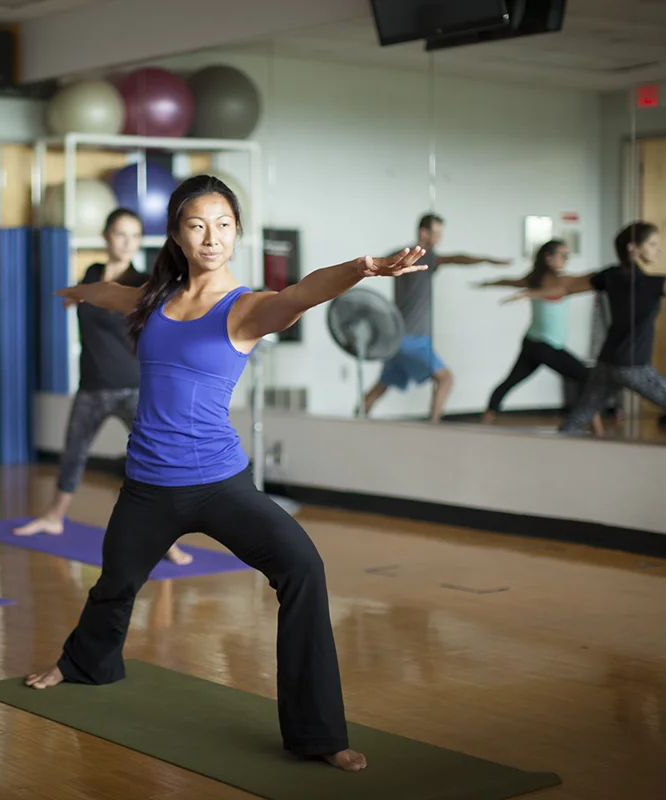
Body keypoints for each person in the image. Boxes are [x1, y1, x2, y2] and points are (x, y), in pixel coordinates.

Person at [23, 175, 428, 773]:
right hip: (147, 487)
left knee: (302, 569)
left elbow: (305, 292)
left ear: (237, 233)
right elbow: (111, 295)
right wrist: (76, 292)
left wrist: (363, 267)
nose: (210, 236)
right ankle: (85, 663)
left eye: (222, 224)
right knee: (114, 584)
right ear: (178, 235)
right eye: (196, 224)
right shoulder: (154, 300)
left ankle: (317, 732)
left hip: (219, 484)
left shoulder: (246, 308)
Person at [14, 209, 192, 566]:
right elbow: (86, 298)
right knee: (74, 454)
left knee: (158, 460)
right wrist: (73, 296)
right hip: (92, 385)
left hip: (133, 387)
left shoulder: (143, 281)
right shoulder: (94, 274)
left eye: (134, 236)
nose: (127, 242)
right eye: (121, 234)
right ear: (106, 236)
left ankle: (167, 540)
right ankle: (53, 517)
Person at [505, 222, 666, 443]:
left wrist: (530, 293)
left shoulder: (610, 276)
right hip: (633, 367)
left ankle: (554, 454)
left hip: (607, 363)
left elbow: (567, 287)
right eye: (652, 244)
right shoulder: (652, 284)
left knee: (577, 419)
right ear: (633, 249)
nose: (657, 251)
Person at [363, 213, 510, 422]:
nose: (440, 239)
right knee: (446, 380)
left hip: (396, 337)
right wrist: (487, 260)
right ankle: (433, 427)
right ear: (424, 233)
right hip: (414, 338)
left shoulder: (399, 255)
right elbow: (457, 258)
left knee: (381, 386)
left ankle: (356, 418)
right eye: (437, 234)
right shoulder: (426, 257)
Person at [477, 239, 604, 435]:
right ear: (549, 258)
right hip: (545, 346)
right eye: (563, 255)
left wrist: (523, 292)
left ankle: (486, 420)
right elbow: (514, 282)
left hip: (532, 343)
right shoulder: (550, 280)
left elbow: (572, 284)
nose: (566, 259)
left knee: (510, 382)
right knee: (587, 378)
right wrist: (490, 283)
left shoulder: (543, 280)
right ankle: (597, 430)